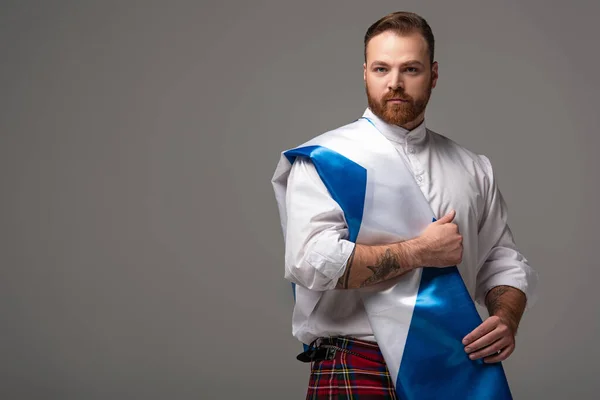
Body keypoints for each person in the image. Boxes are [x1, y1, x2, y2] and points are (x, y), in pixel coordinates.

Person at [271, 11, 537, 399]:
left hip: (451, 365)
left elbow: (502, 260)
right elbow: (310, 262)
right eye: (382, 69)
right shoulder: (325, 158)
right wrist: (419, 251)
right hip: (357, 363)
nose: (394, 83)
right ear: (365, 72)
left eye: (410, 69)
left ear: (433, 74)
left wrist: (505, 318)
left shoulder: (472, 167)